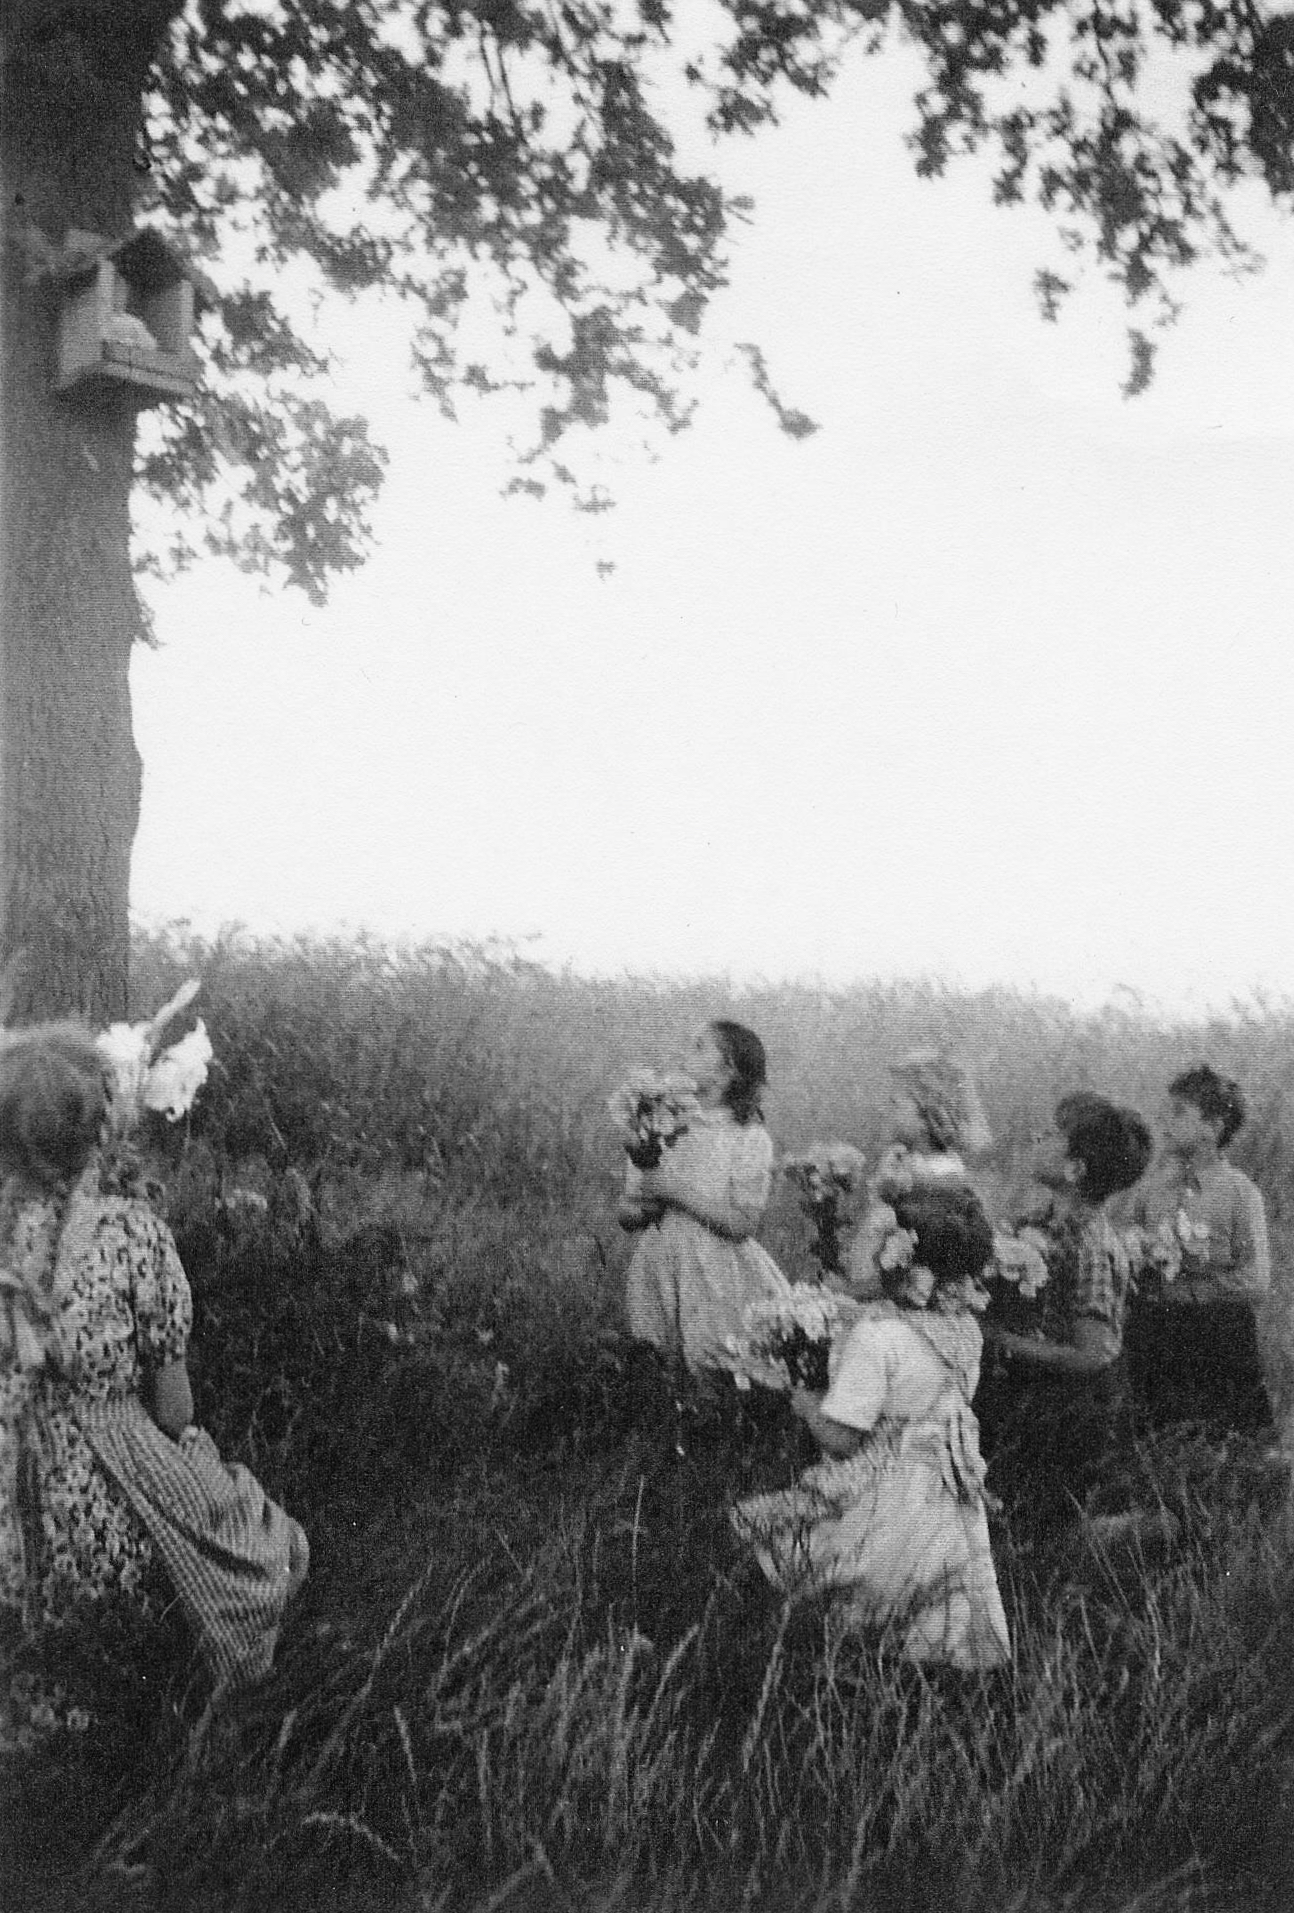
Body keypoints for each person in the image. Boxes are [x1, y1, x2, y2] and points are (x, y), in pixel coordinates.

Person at [0, 1023, 307, 1743]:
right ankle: (124, 1731)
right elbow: (174, 1407)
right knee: (241, 1533)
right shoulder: (134, 1235)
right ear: (103, 1126)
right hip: (107, 1484)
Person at [731, 1183, 1011, 1671]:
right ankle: (930, 1666)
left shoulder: (877, 1338)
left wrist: (804, 1400)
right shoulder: (963, 1329)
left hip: (882, 1491)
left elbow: (842, 1439)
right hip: (939, 1489)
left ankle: (837, 1665)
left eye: (859, 1243)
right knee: (937, 1589)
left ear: (894, 1264)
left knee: (839, 1566)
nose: (846, 1252)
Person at [979, 1092, 1153, 1528]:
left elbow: (1092, 1354)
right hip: (1024, 1387)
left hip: (1064, 1407)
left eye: (1054, 1135)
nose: (1039, 1136)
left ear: (1075, 1170)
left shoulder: (1092, 1245)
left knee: (1042, 1519)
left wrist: (1000, 1338)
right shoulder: (1038, 1220)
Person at [620, 1020, 790, 1375]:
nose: (686, 1053)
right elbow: (628, 1211)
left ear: (728, 1071)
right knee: (657, 1366)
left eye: (699, 1047)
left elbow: (742, 1223)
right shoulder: (657, 1126)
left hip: (716, 1269)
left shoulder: (748, 1138)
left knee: (713, 1365)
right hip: (658, 1263)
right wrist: (643, 1206)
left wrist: (677, 1193)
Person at [1124, 1065, 1273, 1437]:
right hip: (1155, 1329)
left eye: (1178, 1113)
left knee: (1218, 1436)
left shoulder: (1240, 1192)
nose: (1164, 1121)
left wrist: (1189, 1287)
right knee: (1152, 1432)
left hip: (1217, 1337)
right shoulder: (1151, 1190)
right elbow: (1129, 1247)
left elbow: (1256, 1280)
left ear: (1214, 1127)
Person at [840, 1047, 991, 1296]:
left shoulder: (943, 1174)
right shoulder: (900, 1163)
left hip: (908, 1295)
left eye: (895, 1102)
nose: (885, 1110)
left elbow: (918, 1264)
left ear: (928, 1117)